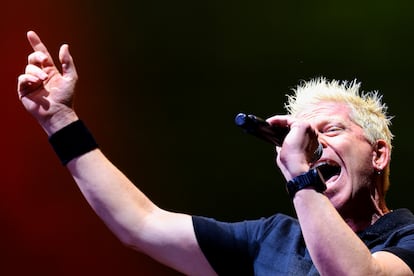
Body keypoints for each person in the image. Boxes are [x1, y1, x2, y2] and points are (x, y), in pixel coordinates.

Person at [17, 30, 414, 275]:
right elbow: (139, 224)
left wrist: (300, 174)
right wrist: (60, 122)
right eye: (305, 134)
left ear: (378, 154)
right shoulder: (272, 241)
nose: (312, 143)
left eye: (331, 130)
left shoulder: (407, 239)